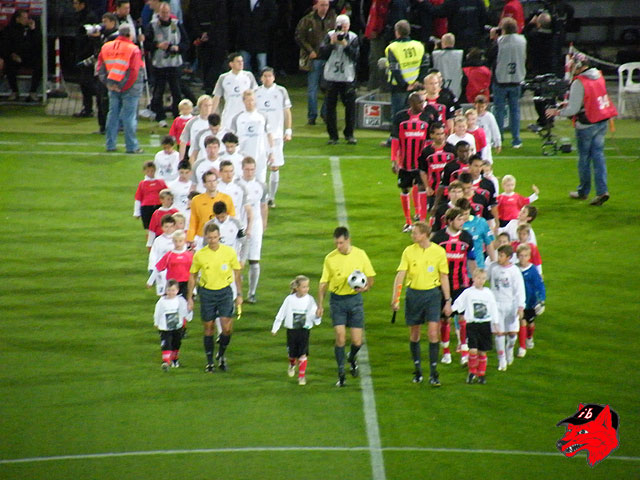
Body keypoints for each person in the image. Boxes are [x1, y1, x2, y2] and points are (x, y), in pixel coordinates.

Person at [545, 53, 617, 206]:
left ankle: (583, 191)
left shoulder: (579, 82)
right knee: (598, 156)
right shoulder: (598, 75)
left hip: (587, 124)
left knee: (584, 158)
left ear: (578, 66)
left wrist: (557, 112)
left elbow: (573, 109)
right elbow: (591, 99)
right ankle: (602, 191)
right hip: (601, 121)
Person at [392, 222, 451, 386]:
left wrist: (447, 301)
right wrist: (396, 298)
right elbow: (400, 275)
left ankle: (433, 373)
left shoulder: (439, 252)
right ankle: (417, 370)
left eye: (415, 233)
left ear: (424, 234)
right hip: (414, 295)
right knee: (414, 334)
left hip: (432, 295)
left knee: (433, 333)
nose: (412, 236)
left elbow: (444, 277)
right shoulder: (408, 251)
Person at [317, 227, 376, 387]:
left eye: (341, 243)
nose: (338, 246)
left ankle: (351, 357)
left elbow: (371, 276)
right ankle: (341, 372)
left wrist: (366, 288)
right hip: (337, 301)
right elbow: (323, 283)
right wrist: (320, 304)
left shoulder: (360, 254)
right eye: (336, 243)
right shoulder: (330, 258)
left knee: (357, 341)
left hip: (355, 300)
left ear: (348, 240)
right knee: (340, 336)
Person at [187, 223, 243, 373]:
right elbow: (193, 276)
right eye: (210, 238)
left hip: (225, 292)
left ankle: (221, 354)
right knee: (209, 327)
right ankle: (210, 362)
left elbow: (237, 273)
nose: (212, 240)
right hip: (207, 293)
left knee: (227, 328)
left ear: (219, 237)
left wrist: (239, 294)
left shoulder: (229, 252)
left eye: (215, 237)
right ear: (206, 237)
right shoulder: (200, 254)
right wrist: (190, 297)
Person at [431, 207, 476, 365]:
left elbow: (471, 259)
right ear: (450, 221)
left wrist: (474, 279)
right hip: (442, 285)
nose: (462, 222)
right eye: (459, 219)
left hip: (461, 283)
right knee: (445, 319)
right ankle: (446, 352)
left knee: (463, 318)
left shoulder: (467, 237)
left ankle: (464, 352)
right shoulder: (438, 238)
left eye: (463, 219)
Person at [391, 92, 437, 231]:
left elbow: (430, 141)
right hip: (404, 163)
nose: (423, 105)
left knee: (422, 188)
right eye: (420, 102)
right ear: (411, 103)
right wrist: (394, 160)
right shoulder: (400, 117)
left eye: (423, 102)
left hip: (421, 163)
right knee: (405, 189)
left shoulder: (427, 117)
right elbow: (395, 140)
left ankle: (421, 221)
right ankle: (408, 221)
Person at [97, 23, 144, 154]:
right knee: (129, 117)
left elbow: (100, 68)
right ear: (130, 34)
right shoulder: (133, 49)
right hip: (130, 88)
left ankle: (110, 144)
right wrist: (124, 86)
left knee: (112, 115)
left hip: (112, 86)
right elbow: (134, 71)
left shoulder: (106, 47)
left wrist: (108, 83)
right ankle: (132, 146)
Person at [144, 2, 189, 128]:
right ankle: (160, 116)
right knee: (158, 91)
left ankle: (177, 116)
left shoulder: (176, 24)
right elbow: (146, 44)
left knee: (176, 91)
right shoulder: (153, 25)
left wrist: (177, 48)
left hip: (174, 63)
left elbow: (186, 43)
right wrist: (158, 45)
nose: (165, 15)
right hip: (159, 64)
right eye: (163, 12)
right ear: (159, 13)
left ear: (170, 13)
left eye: (167, 12)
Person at [271, 275, 322, 386]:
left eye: (307, 286)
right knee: (292, 354)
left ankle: (301, 376)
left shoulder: (310, 300)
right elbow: (281, 313)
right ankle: (292, 364)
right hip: (292, 331)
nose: (306, 289)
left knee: (303, 354)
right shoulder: (289, 299)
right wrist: (275, 327)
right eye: (304, 287)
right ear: (297, 288)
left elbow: (313, 315)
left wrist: (318, 317)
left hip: (304, 330)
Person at [451, 268, 499, 384]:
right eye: (478, 278)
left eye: (483, 279)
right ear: (473, 279)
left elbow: (493, 308)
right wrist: (451, 309)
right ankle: (472, 372)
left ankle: (481, 374)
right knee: (472, 350)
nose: (480, 281)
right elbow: (459, 303)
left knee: (482, 351)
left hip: (485, 325)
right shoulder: (468, 292)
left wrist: (496, 323)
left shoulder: (488, 293)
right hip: (472, 325)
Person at [385, 20, 430, 142]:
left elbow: (395, 69)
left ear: (397, 32)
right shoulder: (419, 45)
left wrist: (405, 85)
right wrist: (418, 81)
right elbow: (425, 65)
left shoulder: (392, 48)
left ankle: (395, 139)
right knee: (415, 111)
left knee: (398, 113)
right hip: (416, 86)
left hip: (399, 87)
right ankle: (414, 135)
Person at [319, 14, 360, 145]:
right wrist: (331, 44)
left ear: (349, 26)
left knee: (350, 107)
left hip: (347, 76)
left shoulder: (353, 37)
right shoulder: (329, 35)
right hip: (331, 76)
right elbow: (322, 54)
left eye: (345, 26)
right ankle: (333, 136)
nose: (343, 29)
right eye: (341, 26)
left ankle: (349, 134)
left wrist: (345, 45)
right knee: (330, 107)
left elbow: (356, 56)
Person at [255, 67, 292, 208]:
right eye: (265, 76)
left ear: (274, 77)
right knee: (259, 167)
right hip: (259, 136)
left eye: (270, 76)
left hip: (276, 136)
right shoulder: (255, 92)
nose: (267, 78)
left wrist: (288, 130)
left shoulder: (281, 91)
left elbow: (287, 111)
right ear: (261, 78)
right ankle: (260, 196)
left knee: (275, 166)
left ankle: (271, 197)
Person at [295, 0, 335, 125]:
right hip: (314, 58)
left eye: (326, 5)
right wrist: (310, 51)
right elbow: (299, 36)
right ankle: (312, 116)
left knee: (329, 88)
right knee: (312, 88)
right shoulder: (307, 20)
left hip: (328, 58)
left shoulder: (333, 18)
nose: (324, 7)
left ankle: (325, 113)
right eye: (322, 5)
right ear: (316, 6)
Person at [489, 17, 527, 149]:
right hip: (517, 79)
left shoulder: (498, 42)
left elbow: (489, 56)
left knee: (499, 110)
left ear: (502, 29)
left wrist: (492, 39)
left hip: (500, 80)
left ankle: (498, 138)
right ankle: (516, 140)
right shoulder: (522, 40)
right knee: (515, 110)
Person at [487, 244, 525, 371]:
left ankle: (510, 348)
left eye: (501, 256)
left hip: (511, 305)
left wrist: (521, 306)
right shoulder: (493, 267)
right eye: (498, 255)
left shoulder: (514, 271)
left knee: (512, 333)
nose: (499, 258)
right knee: (499, 333)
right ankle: (502, 360)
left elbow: (519, 290)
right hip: (496, 304)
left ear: (508, 257)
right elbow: (486, 278)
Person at [236, 156, 269, 303]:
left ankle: (252, 293)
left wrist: (264, 223)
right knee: (236, 261)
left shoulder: (261, 186)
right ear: (242, 169)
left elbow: (263, 206)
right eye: (247, 169)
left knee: (254, 260)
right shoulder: (236, 184)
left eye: (252, 169)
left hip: (255, 225)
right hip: (238, 225)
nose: (249, 172)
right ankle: (237, 292)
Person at [230, 90, 274, 184]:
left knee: (260, 183)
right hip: (242, 157)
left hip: (260, 156)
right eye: (248, 100)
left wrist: (271, 152)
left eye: (252, 100)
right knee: (242, 184)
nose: (250, 103)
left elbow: (269, 135)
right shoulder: (237, 118)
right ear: (243, 101)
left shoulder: (262, 116)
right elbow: (231, 139)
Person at [186, 171, 235, 249]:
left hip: (221, 237)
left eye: (214, 181)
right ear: (204, 184)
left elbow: (232, 219)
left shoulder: (226, 198)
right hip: (202, 237)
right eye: (209, 181)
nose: (212, 184)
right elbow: (193, 220)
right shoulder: (197, 200)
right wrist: (190, 238)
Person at [2, 10, 42, 102]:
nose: (27, 20)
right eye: (24, 18)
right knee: (9, 65)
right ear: (17, 19)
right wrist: (12, 54)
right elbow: (5, 45)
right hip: (15, 56)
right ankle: (14, 91)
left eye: (27, 18)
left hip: (29, 57)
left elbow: (38, 44)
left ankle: (33, 92)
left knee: (39, 64)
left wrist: (33, 30)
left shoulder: (31, 30)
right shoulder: (9, 30)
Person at [188, 0, 228, 92]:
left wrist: (203, 34)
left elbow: (221, 17)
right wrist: (202, 34)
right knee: (207, 62)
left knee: (212, 62)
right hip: (210, 37)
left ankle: (209, 85)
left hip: (215, 36)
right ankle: (208, 85)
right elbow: (192, 17)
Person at [211, 53, 258, 131]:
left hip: (245, 113)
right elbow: (217, 97)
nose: (241, 63)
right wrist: (211, 114)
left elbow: (255, 95)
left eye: (242, 61)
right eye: (238, 61)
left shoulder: (248, 76)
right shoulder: (223, 77)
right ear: (231, 64)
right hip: (229, 114)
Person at [417, 121, 456, 211]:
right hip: (434, 189)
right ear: (431, 135)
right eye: (438, 134)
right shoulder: (426, 152)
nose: (440, 137)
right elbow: (423, 171)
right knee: (434, 212)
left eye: (442, 133)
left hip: (450, 190)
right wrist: (427, 186)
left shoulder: (451, 149)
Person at [232, 0, 277, 76]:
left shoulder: (268, 2)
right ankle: (246, 82)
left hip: (261, 40)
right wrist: (244, 28)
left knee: (262, 66)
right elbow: (236, 17)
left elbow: (272, 18)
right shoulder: (241, 2)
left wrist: (261, 27)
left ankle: (262, 83)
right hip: (245, 40)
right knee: (244, 66)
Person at [153, 279, 190, 370]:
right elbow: (157, 312)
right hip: (165, 327)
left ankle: (174, 359)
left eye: (173, 290)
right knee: (167, 343)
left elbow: (184, 310)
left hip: (177, 326)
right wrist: (156, 322)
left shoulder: (180, 300)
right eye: (169, 290)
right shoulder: (162, 302)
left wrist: (187, 317)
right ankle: (166, 361)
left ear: (177, 290)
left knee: (176, 342)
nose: (171, 292)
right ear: (166, 290)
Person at [516, 243, 546, 356]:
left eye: (525, 256)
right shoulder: (515, 269)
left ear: (529, 257)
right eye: (521, 256)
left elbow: (540, 286)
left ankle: (529, 337)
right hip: (520, 302)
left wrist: (541, 300)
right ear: (517, 256)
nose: (523, 258)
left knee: (530, 323)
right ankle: (522, 347)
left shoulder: (532, 270)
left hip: (531, 301)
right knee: (522, 321)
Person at [72, 0, 100, 117]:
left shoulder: (90, 17)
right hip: (81, 53)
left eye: (76, 3)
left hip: (88, 55)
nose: (74, 6)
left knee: (87, 81)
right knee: (84, 82)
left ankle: (97, 105)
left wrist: (87, 53)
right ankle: (87, 108)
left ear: (82, 4)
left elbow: (91, 38)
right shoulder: (78, 16)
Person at [456, 197, 496, 270]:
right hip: (459, 268)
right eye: (461, 214)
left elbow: (489, 243)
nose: (464, 217)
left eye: (466, 214)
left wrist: (494, 263)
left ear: (469, 210)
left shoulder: (480, 222)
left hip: (478, 267)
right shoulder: (454, 224)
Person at [154, 229, 194, 298]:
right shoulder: (169, 255)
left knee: (184, 301)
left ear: (184, 241)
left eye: (180, 241)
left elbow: (194, 271)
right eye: (176, 241)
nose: (178, 244)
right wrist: (150, 281)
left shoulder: (189, 255)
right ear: (172, 241)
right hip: (172, 283)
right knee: (171, 300)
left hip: (185, 283)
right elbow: (158, 268)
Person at [147, 214, 177, 295]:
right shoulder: (158, 240)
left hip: (175, 269)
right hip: (161, 270)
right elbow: (153, 255)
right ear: (162, 227)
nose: (169, 229)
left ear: (175, 227)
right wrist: (152, 268)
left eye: (171, 226)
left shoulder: (178, 239)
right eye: (166, 227)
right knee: (163, 291)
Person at [134, 161, 168, 230]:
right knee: (149, 228)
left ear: (155, 170)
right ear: (144, 171)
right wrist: (137, 212)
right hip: (146, 208)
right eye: (148, 171)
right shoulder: (142, 184)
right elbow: (138, 199)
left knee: (160, 226)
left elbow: (167, 194)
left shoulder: (160, 182)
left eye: (152, 171)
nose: (150, 173)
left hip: (158, 206)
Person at [179, 95, 214, 161]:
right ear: (199, 107)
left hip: (211, 159)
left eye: (210, 105)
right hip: (195, 159)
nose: (208, 108)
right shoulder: (192, 122)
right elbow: (183, 141)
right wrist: (181, 160)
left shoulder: (215, 122)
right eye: (205, 105)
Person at [432, 33, 463, 100]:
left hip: (440, 89)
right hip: (457, 88)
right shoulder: (460, 55)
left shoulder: (435, 55)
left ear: (442, 43)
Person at [473, 95, 501, 163]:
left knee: (486, 163)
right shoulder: (472, 116)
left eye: (482, 107)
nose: (480, 109)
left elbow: (495, 130)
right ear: (475, 105)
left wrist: (498, 143)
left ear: (486, 106)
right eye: (478, 107)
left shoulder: (489, 116)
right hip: (473, 144)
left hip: (485, 144)